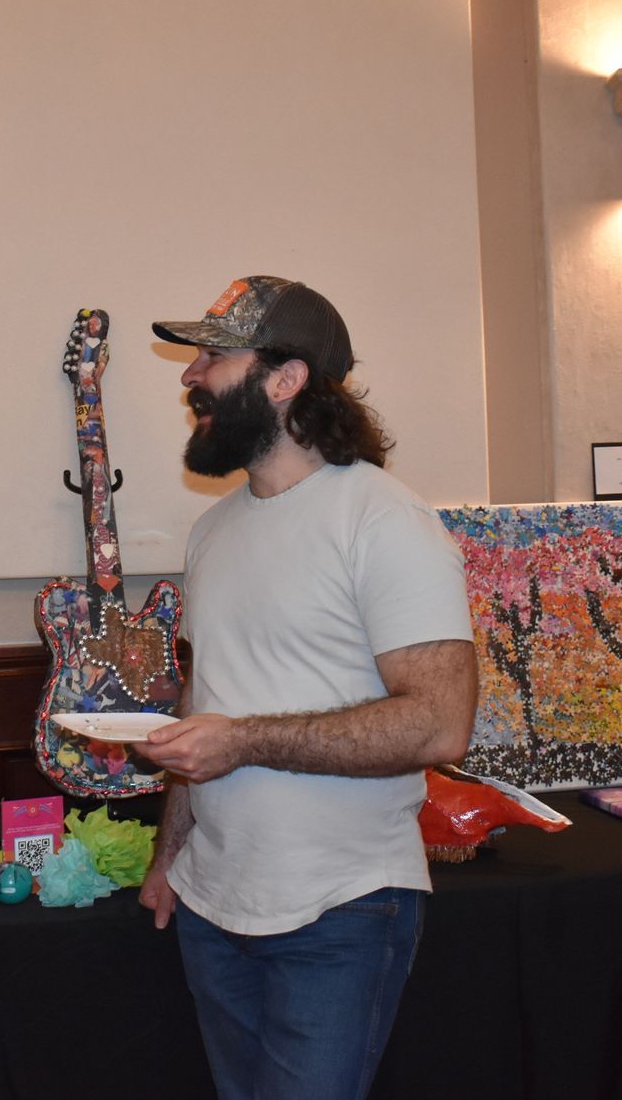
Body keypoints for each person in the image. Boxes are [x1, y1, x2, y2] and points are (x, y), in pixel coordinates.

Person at [134, 275, 478, 1100]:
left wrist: (243, 739)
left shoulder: (385, 521)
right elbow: (204, 704)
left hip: (340, 912)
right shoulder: (213, 530)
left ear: (285, 380)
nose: (190, 377)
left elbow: (439, 727)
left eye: (214, 357)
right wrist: (169, 854)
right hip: (213, 906)